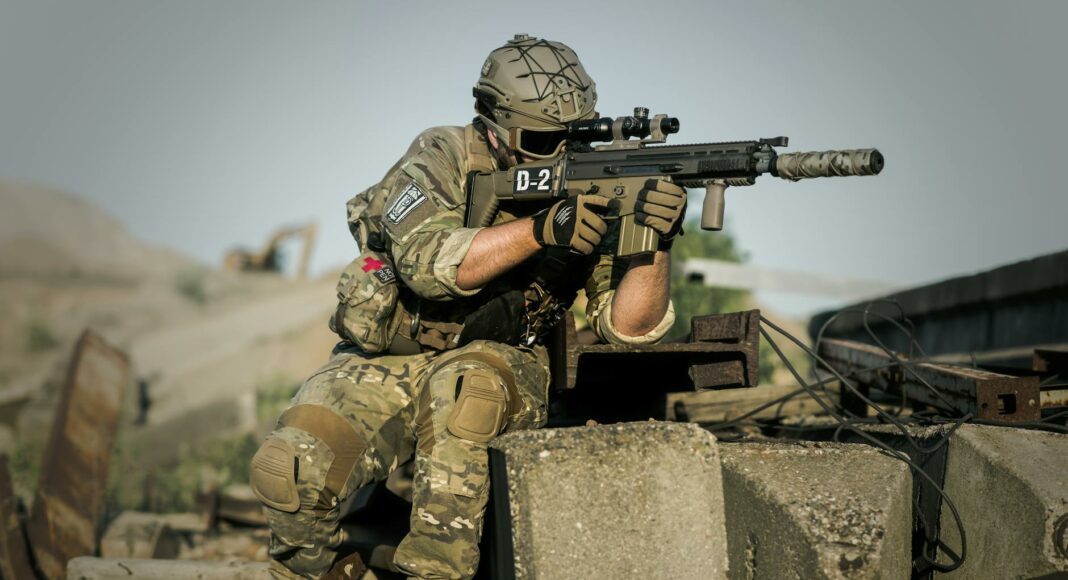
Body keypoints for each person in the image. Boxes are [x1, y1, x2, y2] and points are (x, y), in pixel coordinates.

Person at [250, 34, 686, 579]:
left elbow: (628, 328)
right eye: (540, 138)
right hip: (391, 357)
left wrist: (654, 240)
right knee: (285, 470)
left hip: (499, 359)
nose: (560, 152)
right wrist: (543, 230)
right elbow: (427, 265)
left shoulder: (595, 185)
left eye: (572, 137)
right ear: (492, 121)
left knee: (466, 400)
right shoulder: (442, 155)